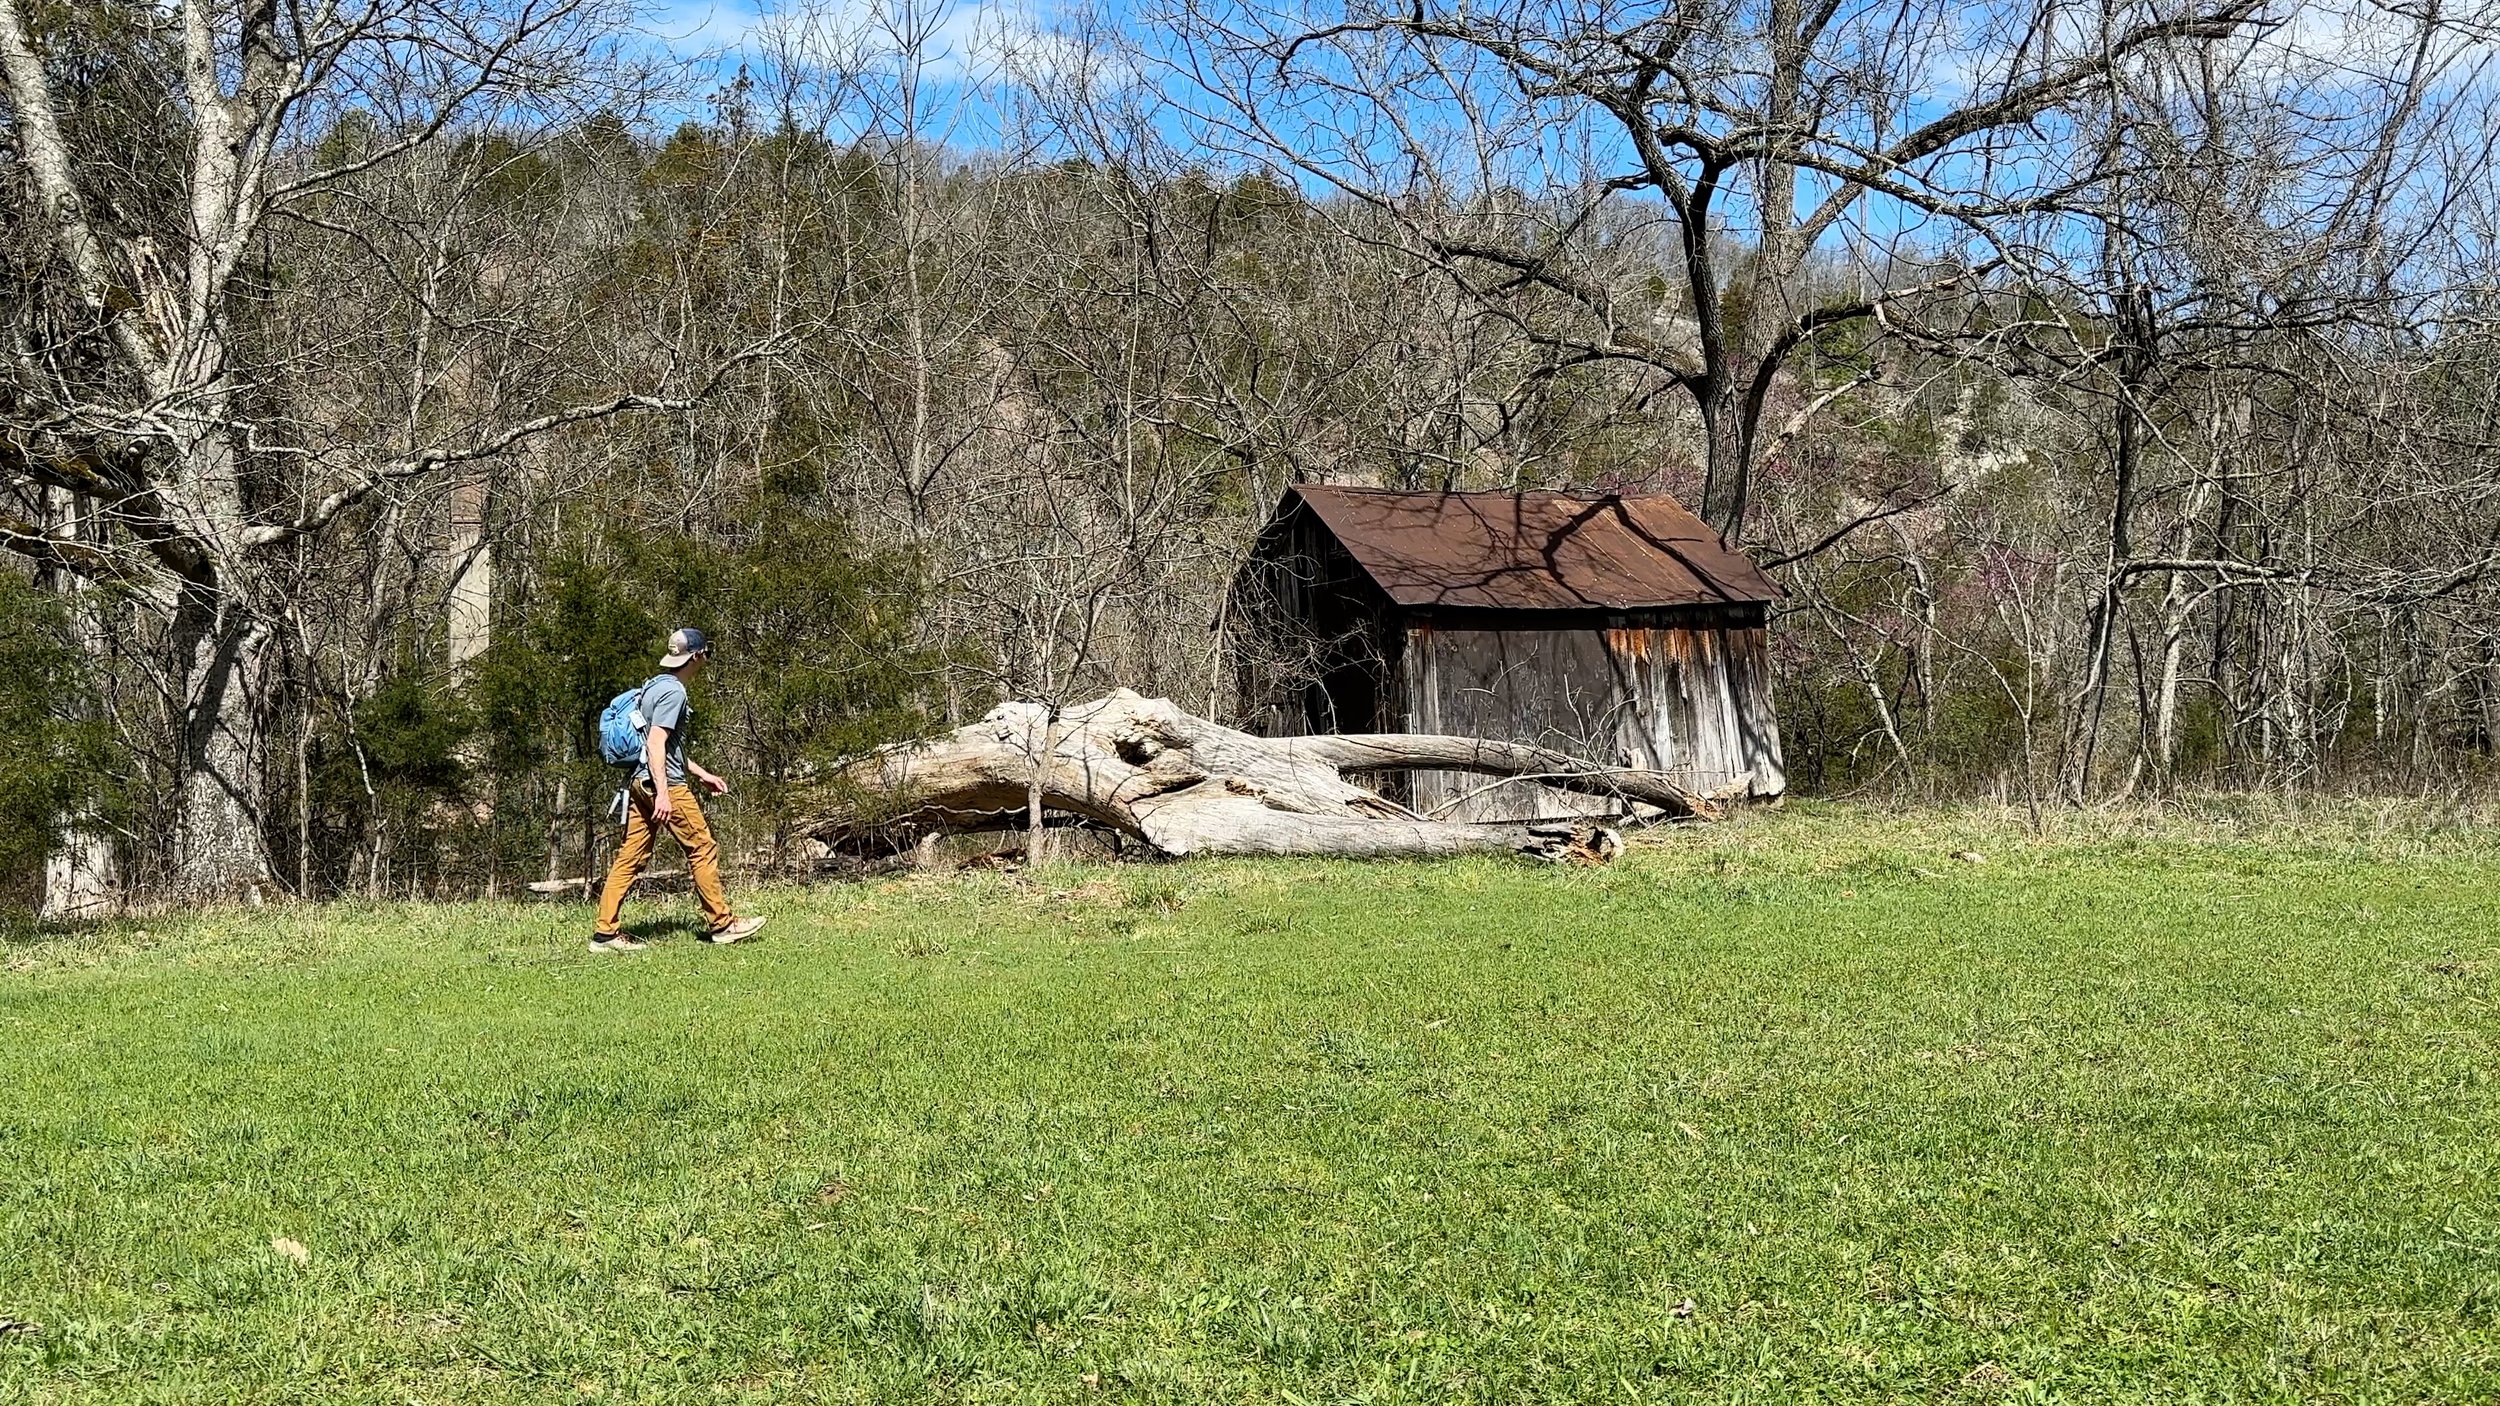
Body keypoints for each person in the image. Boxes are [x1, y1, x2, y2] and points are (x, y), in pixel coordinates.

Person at [591, 628, 767, 951]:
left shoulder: (654, 686)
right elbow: (657, 743)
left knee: (630, 856)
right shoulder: (675, 693)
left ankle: (605, 933)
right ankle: (722, 924)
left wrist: (702, 774)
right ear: (697, 656)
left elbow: (664, 746)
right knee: (702, 846)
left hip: (638, 781)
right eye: (706, 653)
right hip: (664, 784)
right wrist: (662, 792)